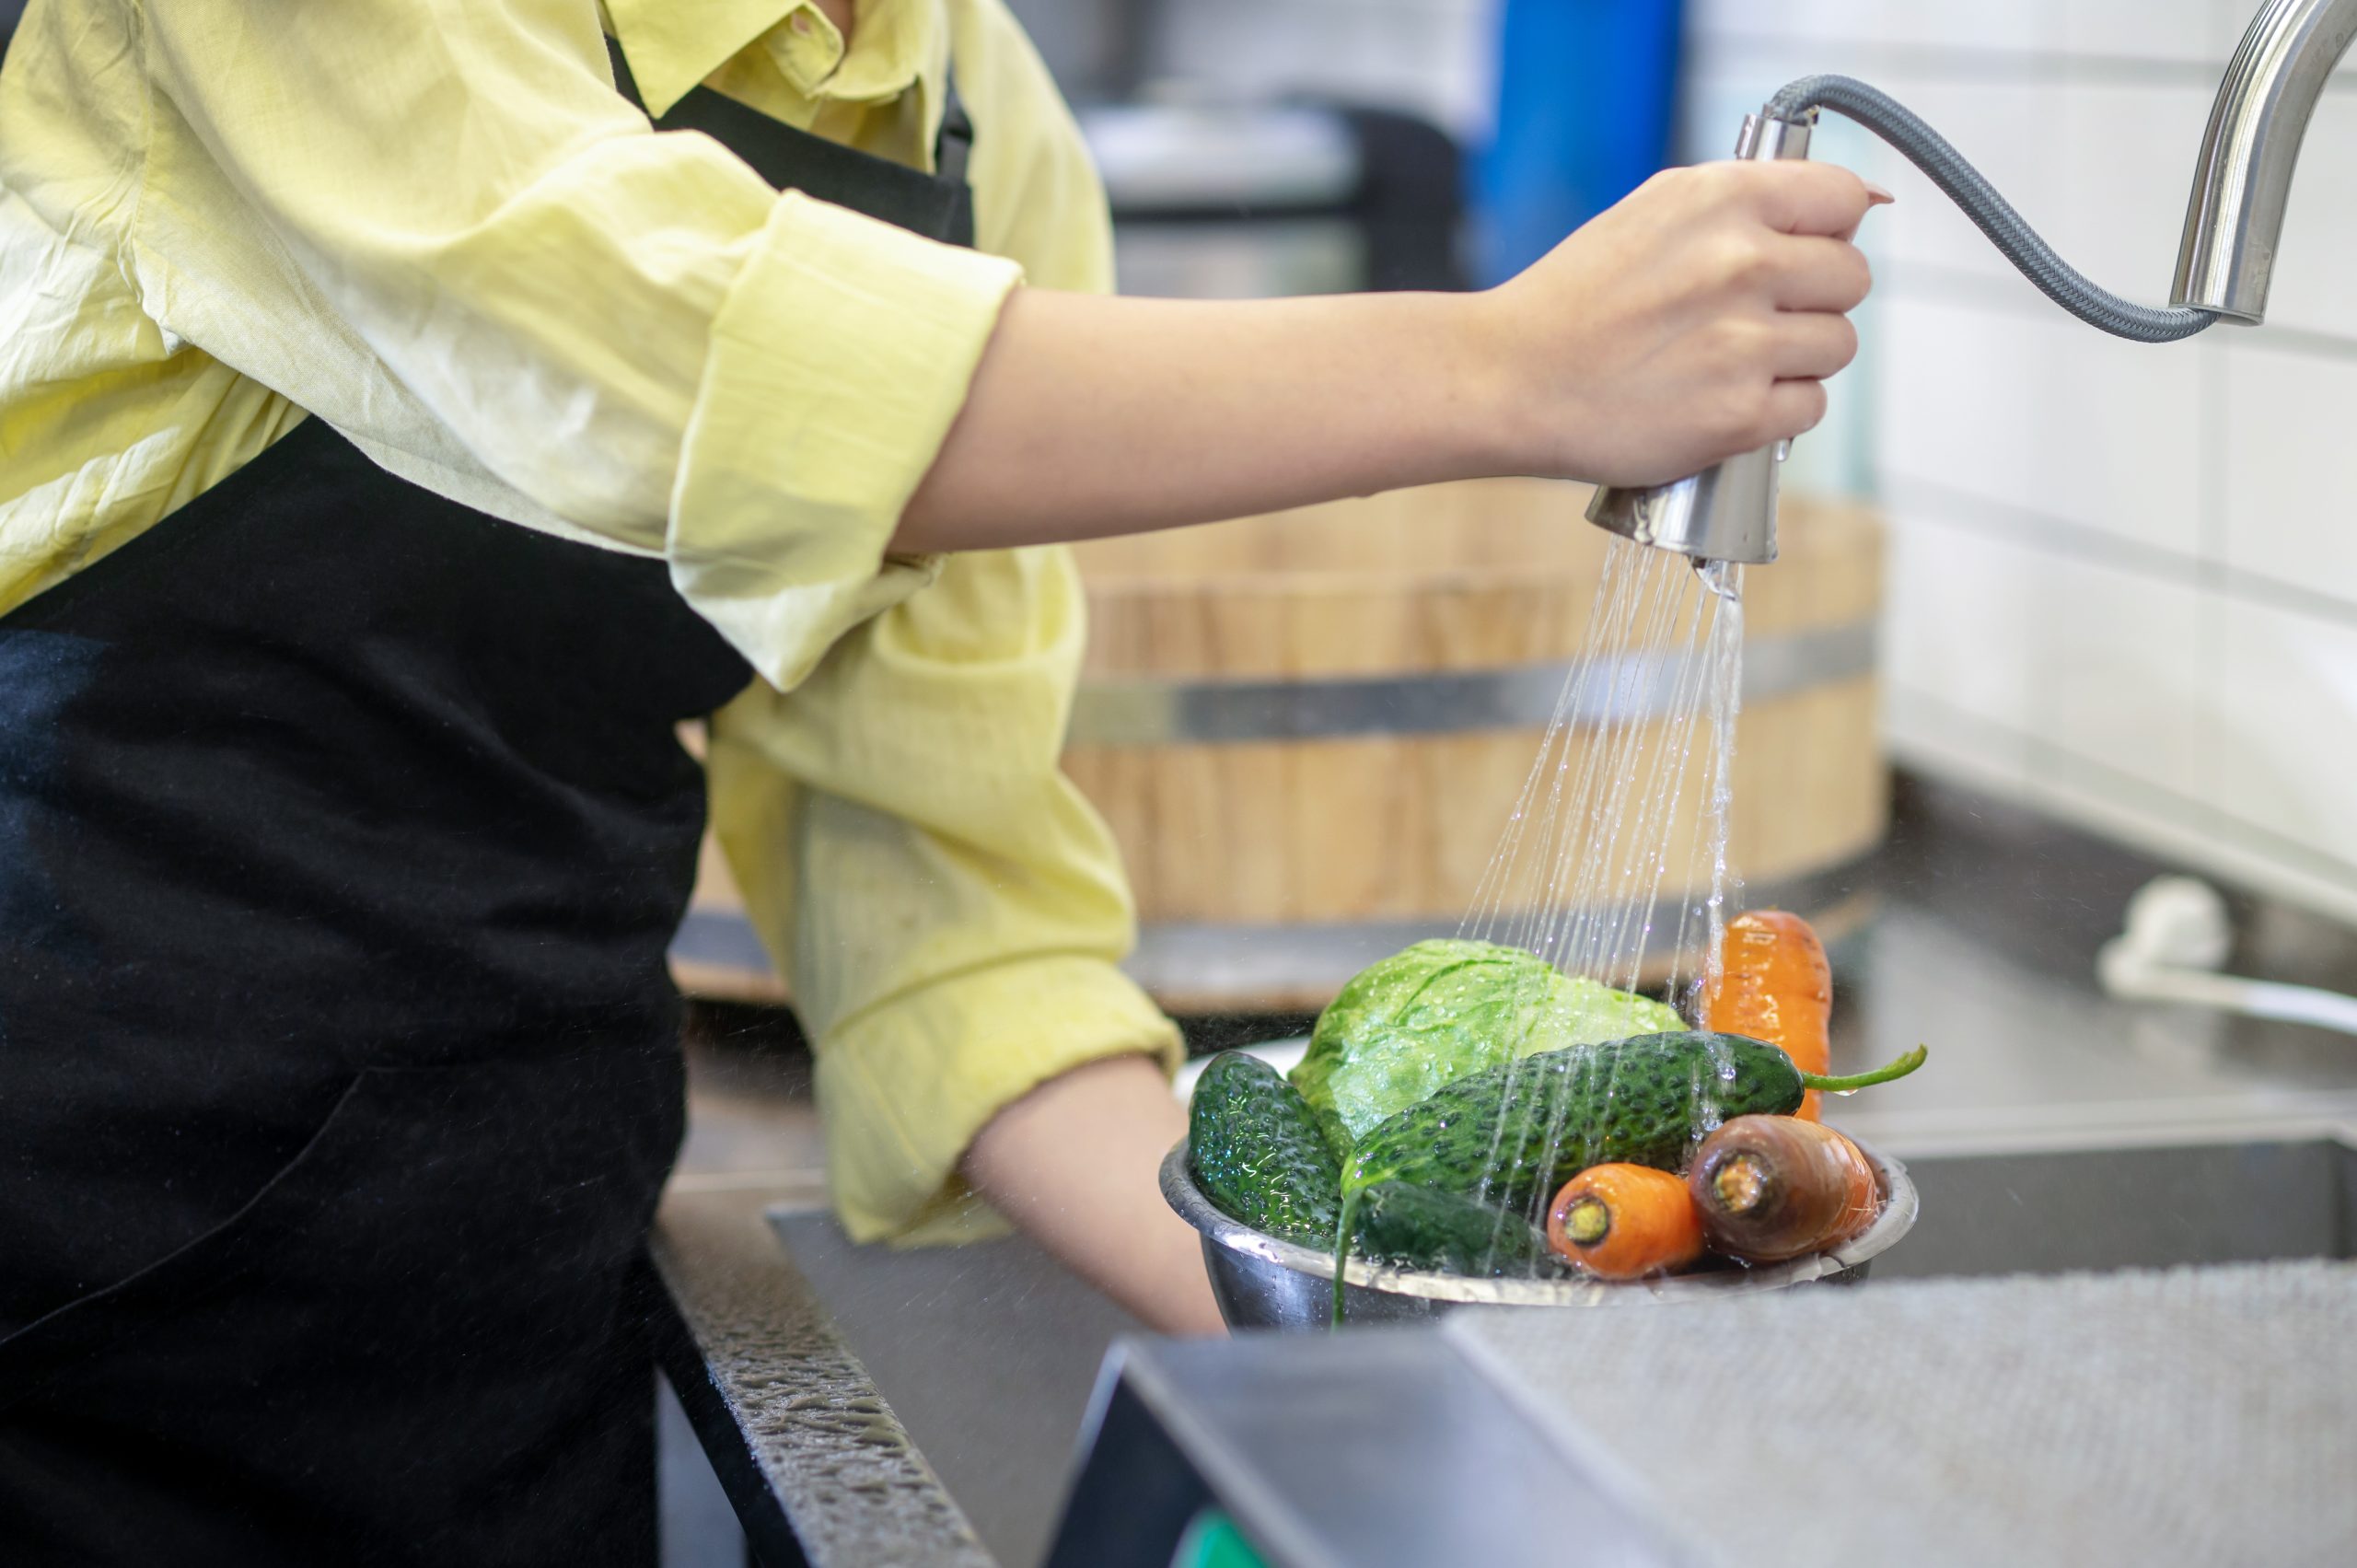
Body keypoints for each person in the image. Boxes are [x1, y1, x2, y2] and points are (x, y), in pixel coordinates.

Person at [0, 0, 1879, 1562]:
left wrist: (1388, 1334)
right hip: (60, 1244)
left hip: (486, 1248)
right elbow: (669, 379)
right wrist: (1500, 370)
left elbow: (944, 905)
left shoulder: (972, 109)